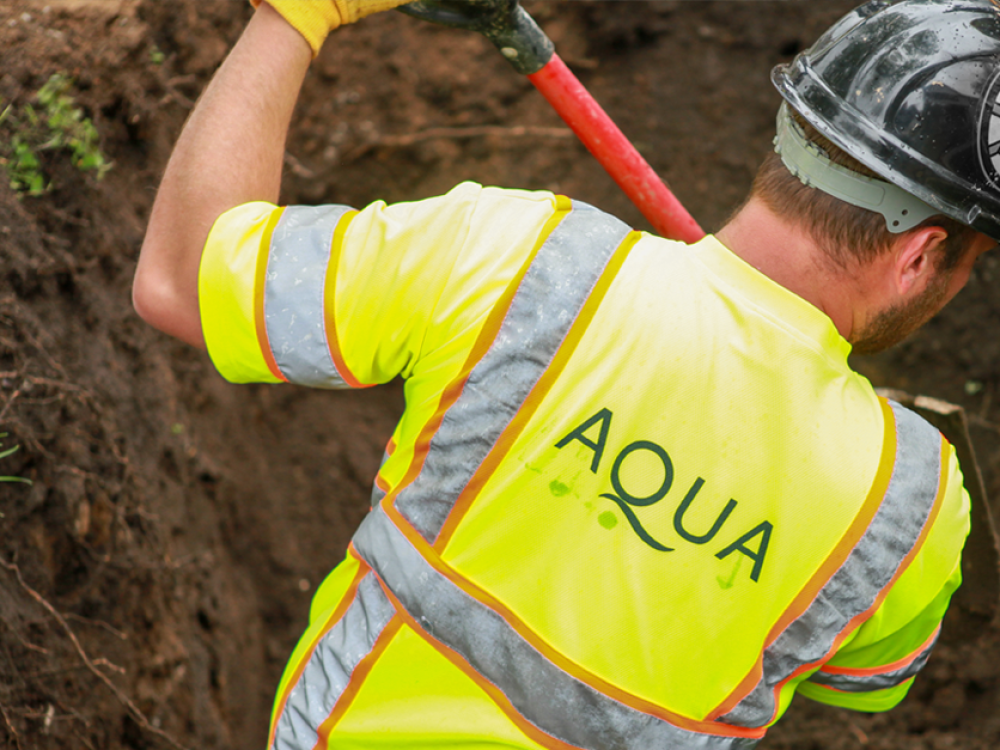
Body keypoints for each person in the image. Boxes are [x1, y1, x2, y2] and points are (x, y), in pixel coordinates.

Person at [133, 0, 1000, 747]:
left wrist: (296, 16)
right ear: (923, 254)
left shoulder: (514, 262)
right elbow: (867, 680)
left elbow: (181, 276)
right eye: (972, 264)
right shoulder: (910, 504)